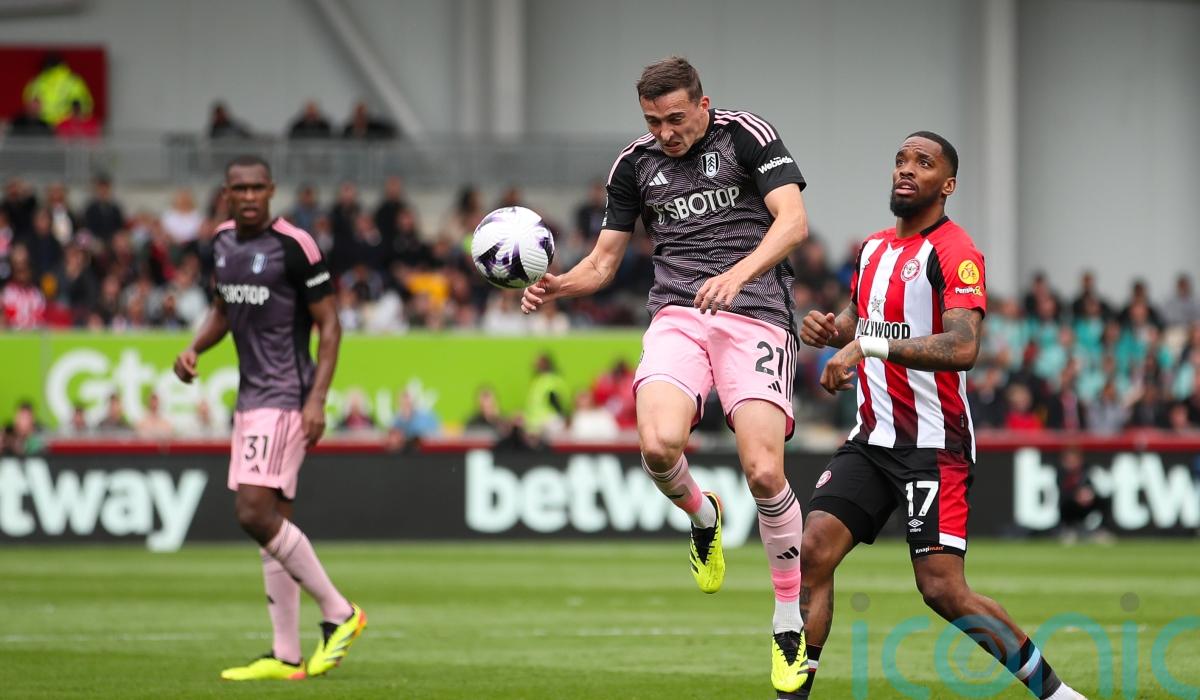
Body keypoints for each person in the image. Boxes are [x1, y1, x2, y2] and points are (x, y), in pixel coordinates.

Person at [521, 56, 811, 696]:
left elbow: (793, 222)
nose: (666, 132)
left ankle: (788, 623)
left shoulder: (746, 136)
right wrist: (558, 286)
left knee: (765, 472)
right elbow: (604, 262)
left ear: (703, 104)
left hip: (757, 314)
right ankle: (703, 515)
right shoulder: (634, 166)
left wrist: (738, 273)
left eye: (676, 118)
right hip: (679, 315)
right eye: (654, 121)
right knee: (656, 447)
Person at [797, 132, 1085, 699]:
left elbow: (963, 346)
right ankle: (792, 692)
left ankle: (1058, 695)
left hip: (932, 445)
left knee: (941, 589)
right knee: (813, 551)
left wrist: (867, 346)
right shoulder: (873, 249)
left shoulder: (955, 252)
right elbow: (860, 318)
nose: (906, 170)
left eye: (923, 163)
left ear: (947, 184)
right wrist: (830, 330)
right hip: (871, 439)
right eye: (901, 160)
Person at [173, 155, 365, 681]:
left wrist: (317, 400)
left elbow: (330, 326)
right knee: (272, 521)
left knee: (253, 512)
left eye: (258, 187)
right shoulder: (222, 243)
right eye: (240, 189)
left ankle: (340, 612)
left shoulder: (295, 246)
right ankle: (285, 655)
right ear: (227, 194)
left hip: (286, 397)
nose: (250, 196)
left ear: (272, 190)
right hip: (250, 398)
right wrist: (194, 348)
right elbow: (223, 309)